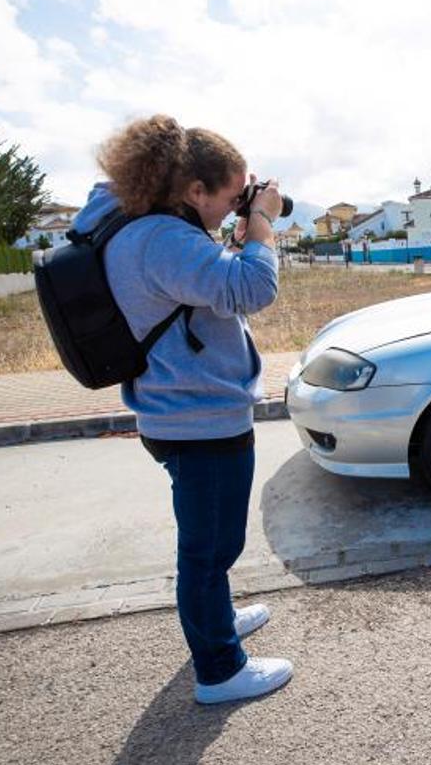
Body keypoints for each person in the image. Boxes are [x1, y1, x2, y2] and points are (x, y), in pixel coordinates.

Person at [70, 115, 291, 705]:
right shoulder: (162, 240)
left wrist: (242, 224)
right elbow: (251, 290)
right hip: (198, 419)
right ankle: (219, 669)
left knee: (211, 544)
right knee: (208, 550)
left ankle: (215, 621)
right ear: (193, 190)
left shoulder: (148, 227)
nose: (231, 208)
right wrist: (262, 223)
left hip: (179, 411)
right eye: (227, 196)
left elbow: (205, 280)